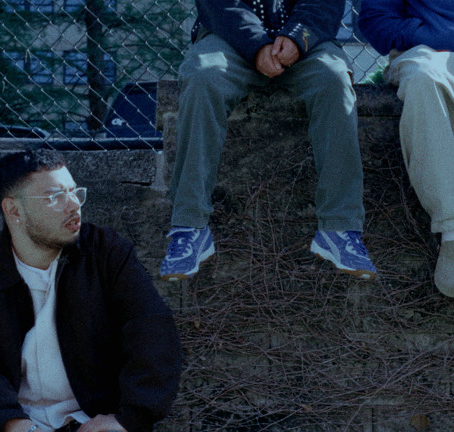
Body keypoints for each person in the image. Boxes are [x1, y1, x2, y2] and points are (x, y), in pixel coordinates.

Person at [0, 150, 181, 432]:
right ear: (14, 211)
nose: (73, 205)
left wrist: (127, 418)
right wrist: (22, 430)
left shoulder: (106, 254)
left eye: (74, 192)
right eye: (54, 196)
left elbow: (154, 332)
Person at [160, 0, 376, 282]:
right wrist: (257, 45)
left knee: (334, 80)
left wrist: (297, 38)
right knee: (204, 76)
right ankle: (189, 227)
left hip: (306, 42)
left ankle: (340, 227)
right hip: (230, 35)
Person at [359, 1, 454, 297]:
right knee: (424, 79)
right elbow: (375, 20)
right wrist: (431, 34)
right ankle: (451, 233)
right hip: (424, 52)